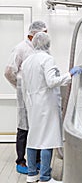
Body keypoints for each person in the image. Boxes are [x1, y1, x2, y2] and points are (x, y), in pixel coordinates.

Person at [21, 32, 82, 183]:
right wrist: (69, 74)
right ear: (47, 44)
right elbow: (51, 81)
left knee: (33, 139)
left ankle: (31, 174)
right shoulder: (47, 59)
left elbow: (24, 86)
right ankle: (45, 177)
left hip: (33, 104)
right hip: (46, 105)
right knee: (47, 139)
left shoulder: (27, 61)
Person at [4, 21, 47, 174]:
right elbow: (9, 72)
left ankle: (36, 159)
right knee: (24, 126)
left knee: (36, 126)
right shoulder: (21, 48)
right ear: (32, 34)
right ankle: (21, 160)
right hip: (25, 92)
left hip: (38, 93)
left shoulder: (41, 49)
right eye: (43, 32)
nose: (45, 35)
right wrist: (19, 87)